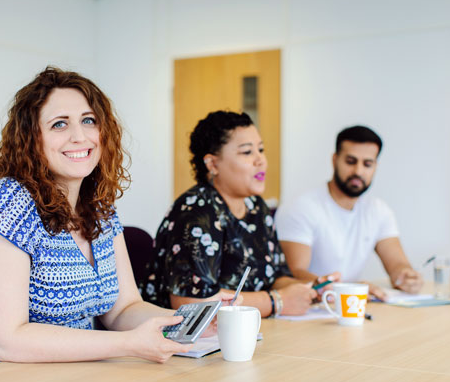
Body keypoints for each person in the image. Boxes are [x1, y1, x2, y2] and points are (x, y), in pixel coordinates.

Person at [0, 67, 236, 382]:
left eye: (88, 121)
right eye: (59, 124)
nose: (79, 136)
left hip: (56, 377)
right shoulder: (5, 202)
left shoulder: (101, 209)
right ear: (31, 139)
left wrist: (185, 321)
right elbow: (6, 340)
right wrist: (129, 344)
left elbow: (123, 309)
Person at [140, 111, 327, 318]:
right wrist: (276, 301)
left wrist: (312, 288)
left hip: (246, 329)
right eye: (247, 152)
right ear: (212, 164)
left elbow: (276, 278)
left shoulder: (257, 207)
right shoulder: (196, 211)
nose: (261, 160)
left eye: (261, 150)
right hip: (182, 341)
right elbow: (192, 302)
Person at [274, 125, 423, 300]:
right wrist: (346, 289)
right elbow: (293, 275)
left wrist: (406, 277)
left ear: (375, 166)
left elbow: (397, 264)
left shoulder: (379, 210)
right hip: (310, 311)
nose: (358, 171)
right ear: (334, 160)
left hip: (350, 309)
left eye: (367, 164)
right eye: (350, 162)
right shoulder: (301, 208)